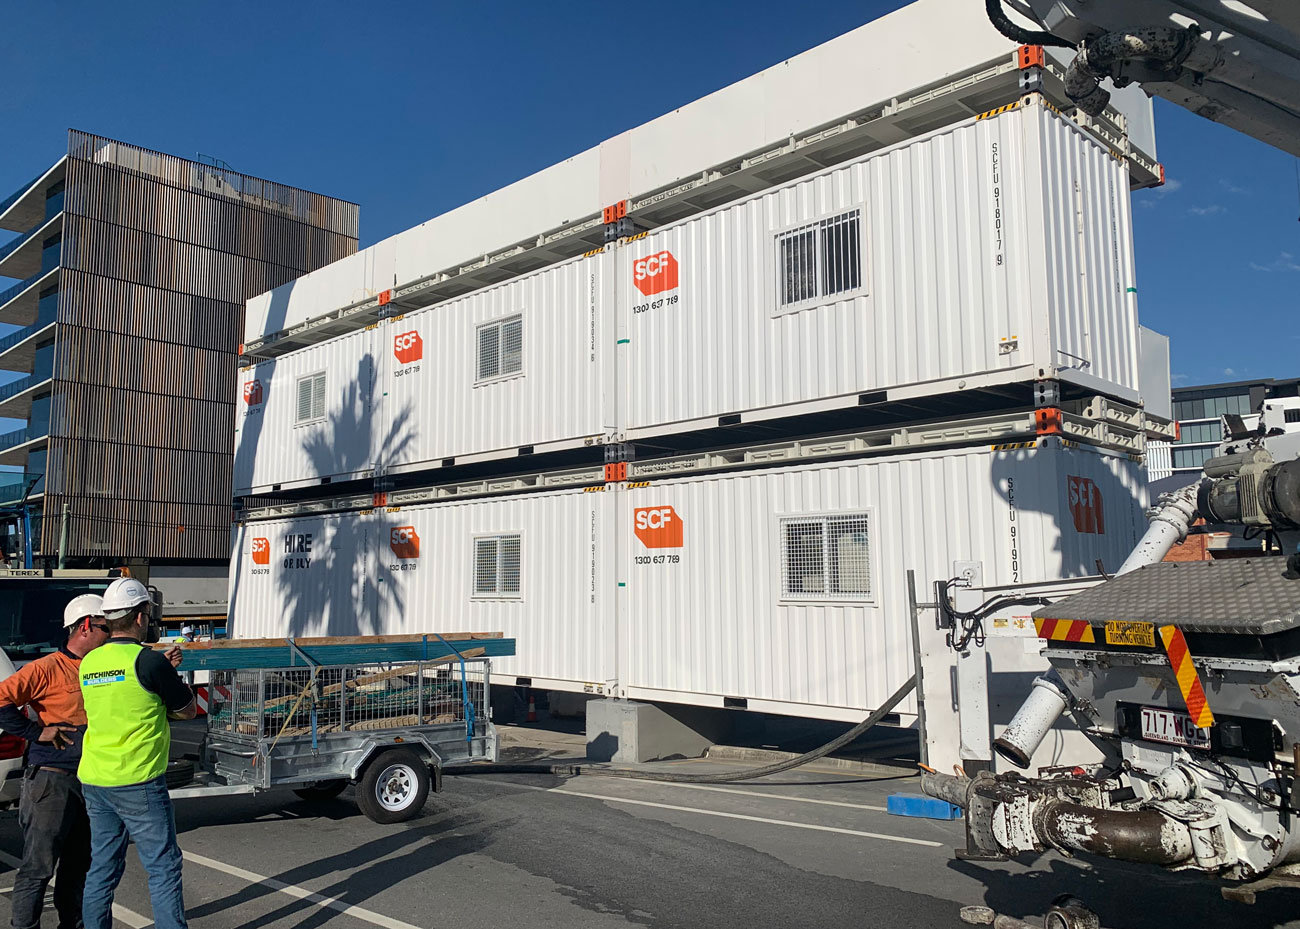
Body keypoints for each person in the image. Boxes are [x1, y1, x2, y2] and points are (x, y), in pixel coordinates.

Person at [78, 577, 195, 929]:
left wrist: (161, 672)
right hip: (138, 779)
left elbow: (122, 695)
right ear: (141, 616)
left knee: (102, 866)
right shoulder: (149, 663)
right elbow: (187, 710)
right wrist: (166, 675)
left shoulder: (90, 662)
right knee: (162, 866)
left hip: (96, 779)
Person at [0, 594, 111, 929]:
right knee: (38, 866)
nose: (112, 635)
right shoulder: (46, 668)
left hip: (90, 779)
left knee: (78, 865)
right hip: (52, 779)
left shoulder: (101, 669)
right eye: (107, 627)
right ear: (86, 626)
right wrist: (36, 731)